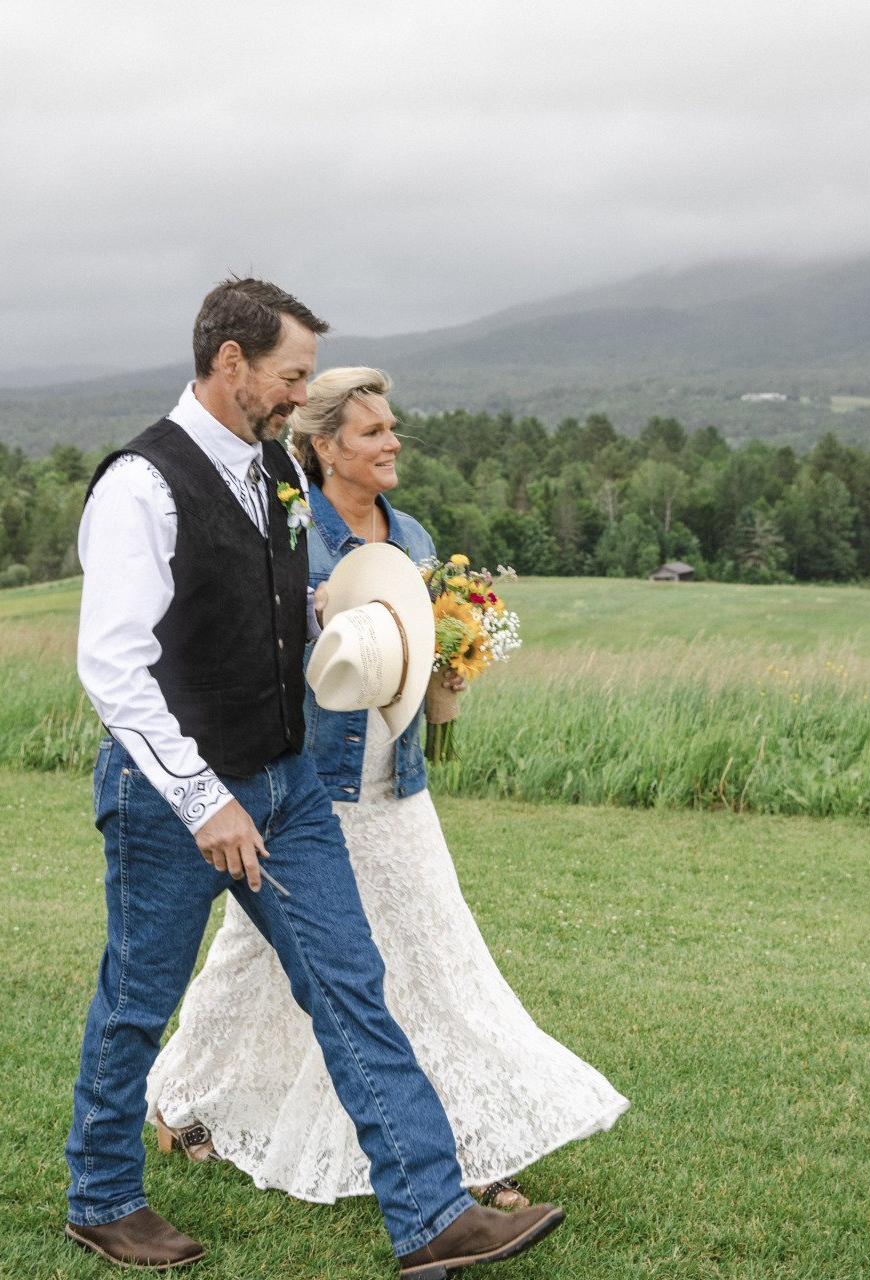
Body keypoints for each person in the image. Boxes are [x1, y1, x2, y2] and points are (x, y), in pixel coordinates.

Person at [66, 278, 563, 1276]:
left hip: (288, 787)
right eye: (291, 375)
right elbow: (112, 666)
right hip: (173, 800)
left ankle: (429, 1213)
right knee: (136, 994)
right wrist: (204, 801)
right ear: (231, 362)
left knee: (351, 984)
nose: (300, 395)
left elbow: (271, 603)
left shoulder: (271, 475)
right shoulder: (142, 485)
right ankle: (104, 1196)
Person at [146, 366, 629, 1206]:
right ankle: (176, 1097)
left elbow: (430, 652)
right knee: (253, 956)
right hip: (307, 784)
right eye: (372, 432)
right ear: (325, 447)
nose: (393, 441)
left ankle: (469, 1146)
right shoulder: (291, 531)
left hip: (397, 783)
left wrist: (453, 677)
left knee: (434, 958)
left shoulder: (412, 535)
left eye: (392, 427)